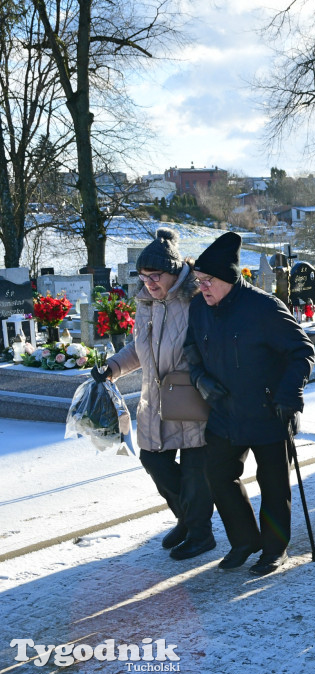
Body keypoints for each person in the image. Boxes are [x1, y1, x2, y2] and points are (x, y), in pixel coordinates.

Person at [185, 232, 315, 575]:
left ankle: (274, 549)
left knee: (273, 484)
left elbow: (303, 351)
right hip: (224, 412)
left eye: (208, 281)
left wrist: (290, 395)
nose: (203, 288)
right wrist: (200, 380)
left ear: (229, 278)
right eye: (199, 281)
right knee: (217, 476)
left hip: (268, 411)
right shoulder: (199, 307)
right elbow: (190, 349)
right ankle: (245, 540)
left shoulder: (264, 308)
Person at [95, 228, 215, 560]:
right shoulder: (147, 303)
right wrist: (113, 368)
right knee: (153, 459)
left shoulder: (196, 301)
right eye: (144, 275)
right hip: (156, 400)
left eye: (156, 275)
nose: (149, 282)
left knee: (194, 472)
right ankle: (187, 520)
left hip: (192, 399)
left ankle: (201, 534)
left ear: (175, 272)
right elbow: (140, 349)